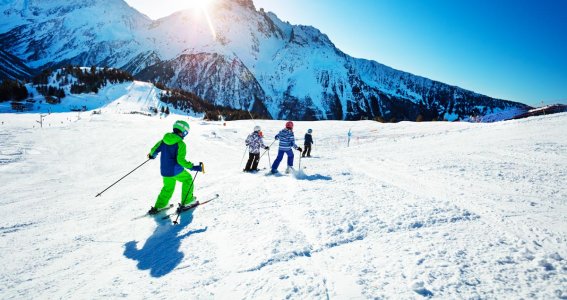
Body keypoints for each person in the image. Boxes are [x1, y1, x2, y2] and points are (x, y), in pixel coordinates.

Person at [147, 120, 203, 214]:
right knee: (188, 179)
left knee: (168, 187)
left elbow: (154, 149)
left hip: (164, 171)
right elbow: (180, 161)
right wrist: (193, 167)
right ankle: (187, 202)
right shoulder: (180, 144)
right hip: (175, 170)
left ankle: (160, 205)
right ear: (183, 132)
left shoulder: (164, 140)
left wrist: (152, 155)